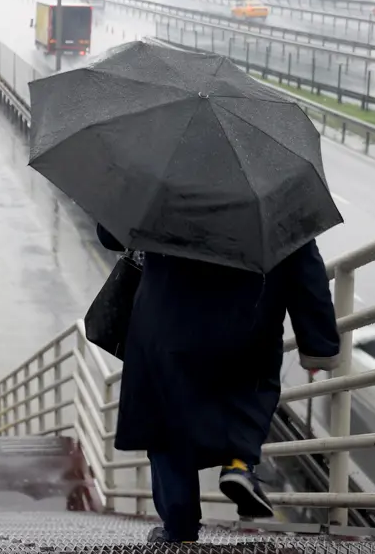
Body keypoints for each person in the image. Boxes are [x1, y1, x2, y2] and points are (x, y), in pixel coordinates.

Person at [94, 223, 340, 543]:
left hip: (167, 321)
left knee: (167, 425)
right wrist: (318, 346)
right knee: (248, 398)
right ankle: (238, 463)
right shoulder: (276, 200)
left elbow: (110, 236)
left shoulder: (166, 183)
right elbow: (308, 274)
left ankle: (179, 529)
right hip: (248, 326)